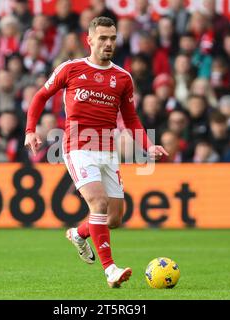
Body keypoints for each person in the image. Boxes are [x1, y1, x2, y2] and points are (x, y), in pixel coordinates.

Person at [24, 17, 168, 288]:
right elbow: (40, 96)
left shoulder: (123, 78)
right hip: (78, 148)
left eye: (112, 38)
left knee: (114, 218)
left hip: (107, 151)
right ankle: (110, 270)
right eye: (102, 38)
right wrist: (30, 130)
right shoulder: (71, 69)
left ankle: (78, 234)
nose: (108, 43)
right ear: (89, 40)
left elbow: (131, 118)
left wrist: (149, 146)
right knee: (98, 204)